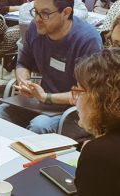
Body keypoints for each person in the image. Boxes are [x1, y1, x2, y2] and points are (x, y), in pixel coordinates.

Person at [0, 0, 103, 134]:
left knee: (39, 125)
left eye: (45, 14)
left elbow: (86, 94)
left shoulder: (88, 41)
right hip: (40, 102)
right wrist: (25, 83)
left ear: (66, 13)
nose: (37, 19)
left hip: (75, 110)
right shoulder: (35, 29)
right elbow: (23, 63)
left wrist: (46, 97)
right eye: (36, 11)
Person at [73, 48, 120, 196]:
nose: (75, 100)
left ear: (97, 97)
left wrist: (95, 151)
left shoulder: (100, 154)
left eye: (79, 91)